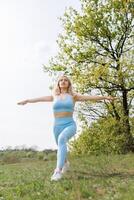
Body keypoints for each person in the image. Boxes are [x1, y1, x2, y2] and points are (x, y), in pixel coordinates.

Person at [17, 74, 118, 181]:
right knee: (61, 145)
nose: (63, 81)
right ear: (58, 84)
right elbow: (39, 99)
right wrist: (27, 100)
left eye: (66, 80)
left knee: (62, 139)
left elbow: (90, 97)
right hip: (56, 126)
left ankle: (57, 171)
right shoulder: (54, 96)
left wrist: (105, 97)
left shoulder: (74, 96)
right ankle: (65, 163)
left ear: (69, 83)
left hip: (69, 125)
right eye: (61, 80)